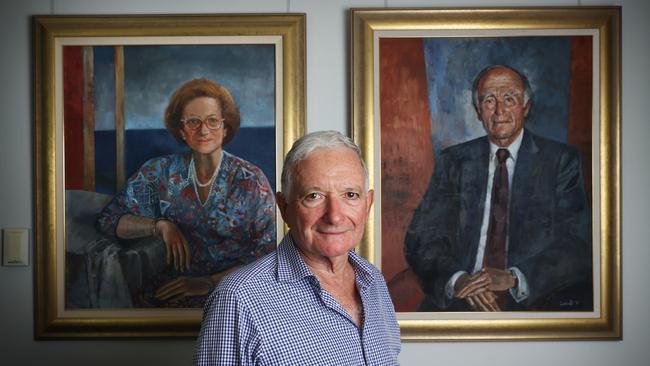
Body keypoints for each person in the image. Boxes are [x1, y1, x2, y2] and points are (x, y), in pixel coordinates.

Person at [193, 131, 401, 365]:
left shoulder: (373, 281)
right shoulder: (238, 299)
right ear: (284, 207)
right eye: (314, 196)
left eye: (350, 195)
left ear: (367, 205)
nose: (334, 216)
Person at [404, 65, 592, 312]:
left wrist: (514, 278)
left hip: (533, 298)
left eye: (510, 98)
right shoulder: (454, 161)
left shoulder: (559, 161)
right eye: (489, 100)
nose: (500, 110)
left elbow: (576, 244)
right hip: (461, 297)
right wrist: (458, 279)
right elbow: (422, 238)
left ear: (526, 107)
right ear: (478, 111)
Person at [96, 78, 276, 308]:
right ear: (181, 130)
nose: (203, 130)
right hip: (168, 290)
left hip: (233, 293)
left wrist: (209, 282)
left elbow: (271, 253)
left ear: (225, 127)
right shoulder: (160, 171)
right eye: (193, 122)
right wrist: (159, 226)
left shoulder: (250, 180)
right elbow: (109, 220)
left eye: (212, 121)